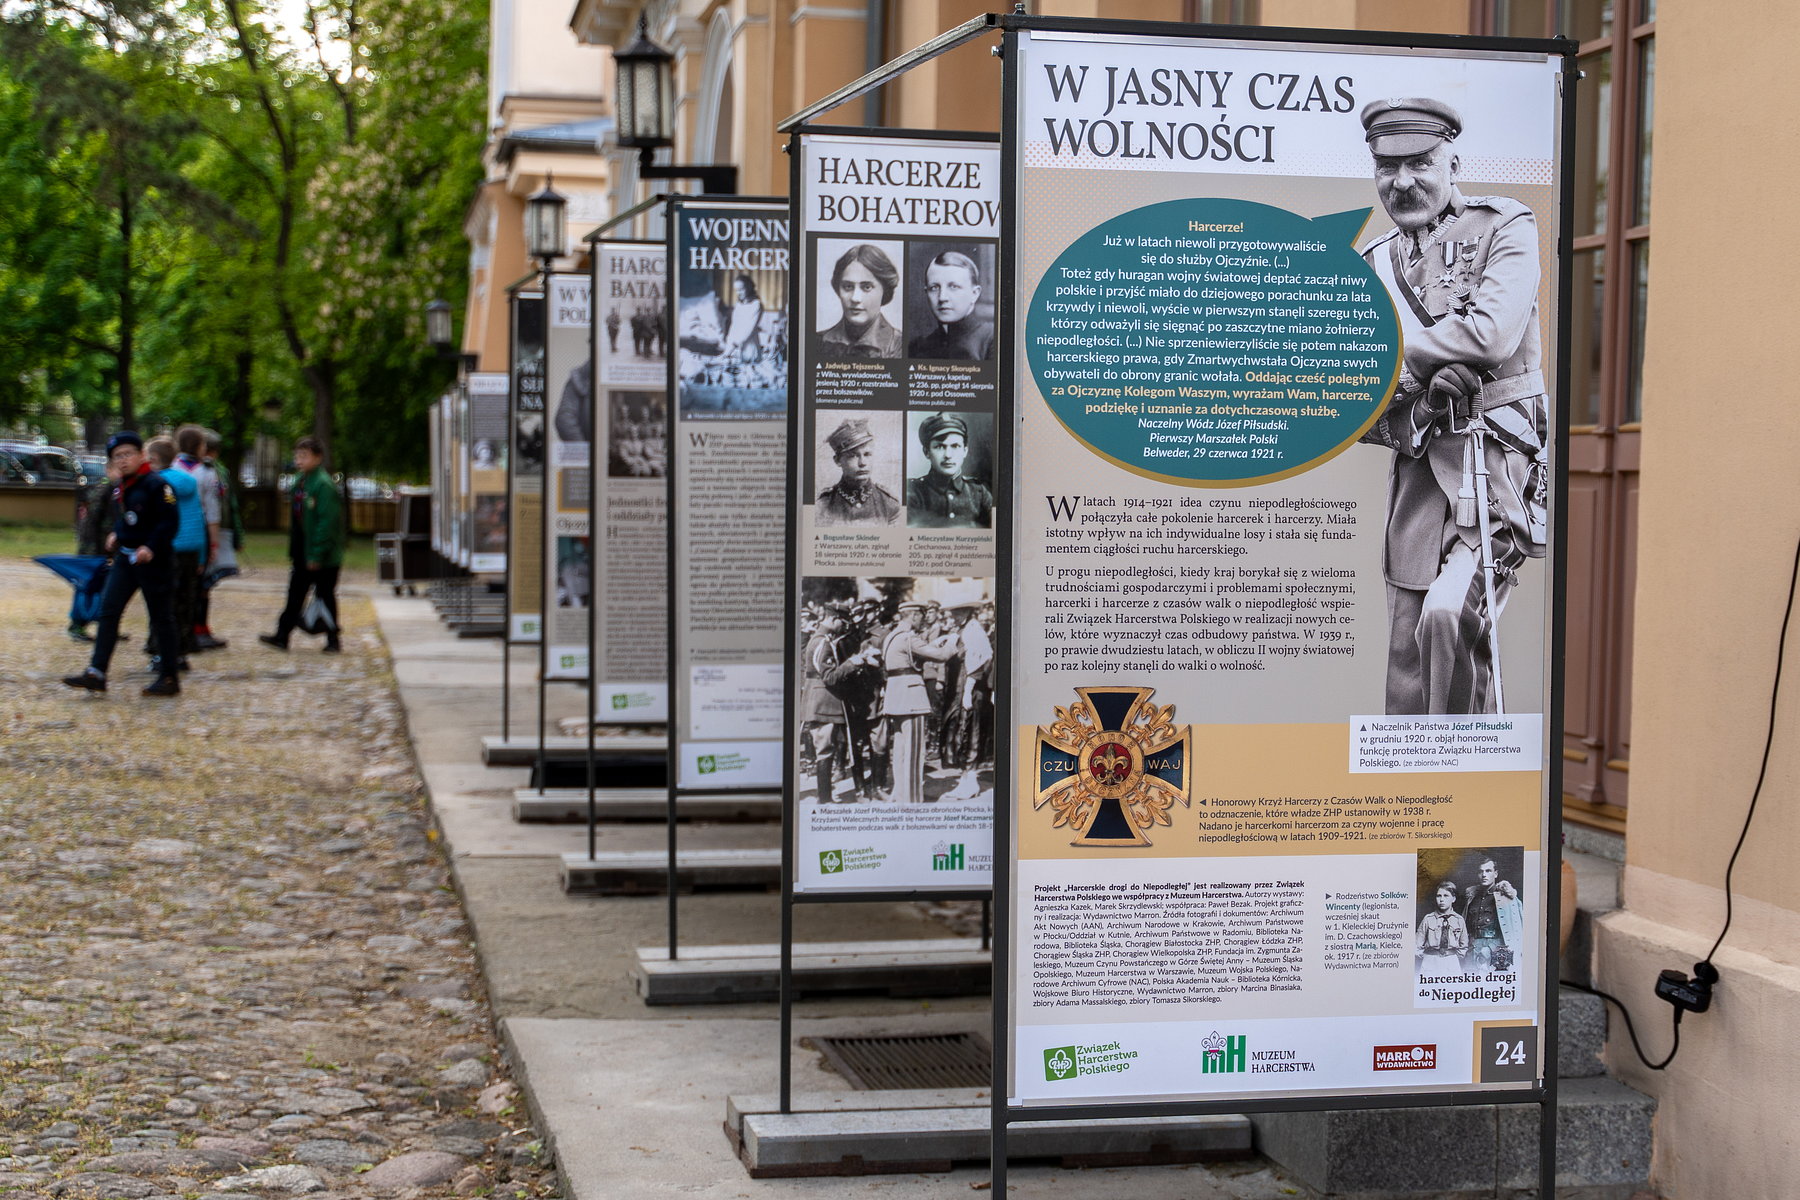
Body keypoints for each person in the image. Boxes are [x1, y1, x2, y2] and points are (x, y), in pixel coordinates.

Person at [1357, 98, 1547, 717]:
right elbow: (1350, 402)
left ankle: (1471, 765)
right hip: (1418, 488)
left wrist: (1396, 364)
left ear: (1452, 164)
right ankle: (1418, 777)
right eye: (1388, 167)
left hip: (1494, 473)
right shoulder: (1369, 266)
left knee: (1450, 617)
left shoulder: (1505, 227)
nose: (1402, 181)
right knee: (1407, 672)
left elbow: (1491, 336)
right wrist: (1420, 400)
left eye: (1420, 163)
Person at [62, 432, 182, 696]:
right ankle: (97, 672)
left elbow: (169, 522)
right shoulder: (122, 486)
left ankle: (169, 677)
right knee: (109, 610)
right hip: (126, 560)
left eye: (128, 454)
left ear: (142, 455)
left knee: (161, 617)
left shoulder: (157, 485)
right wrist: (117, 534)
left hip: (154, 562)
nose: (123, 460)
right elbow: (126, 518)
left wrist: (150, 547)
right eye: (117, 456)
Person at [259, 436, 344, 653]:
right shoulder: (300, 481)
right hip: (301, 549)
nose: (299, 460)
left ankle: (333, 639)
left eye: (304, 456)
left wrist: (317, 553)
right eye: (297, 455)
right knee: (295, 594)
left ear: (318, 457)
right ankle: (282, 635)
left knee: (325, 595)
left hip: (321, 553)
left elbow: (326, 522)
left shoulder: (323, 484)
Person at [879, 601, 958, 803]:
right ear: (913, 615)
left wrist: (936, 641)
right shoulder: (909, 638)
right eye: (921, 616)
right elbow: (942, 656)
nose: (922, 620)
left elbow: (911, 656)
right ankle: (912, 799)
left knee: (900, 750)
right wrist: (952, 641)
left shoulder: (892, 636)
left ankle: (900, 793)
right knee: (914, 751)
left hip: (896, 697)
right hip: (911, 698)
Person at [145, 436, 204, 669]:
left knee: (163, 603)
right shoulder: (189, 481)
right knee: (185, 602)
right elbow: (198, 517)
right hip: (191, 549)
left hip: (167, 549)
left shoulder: (155, 484)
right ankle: (181, 652)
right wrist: (202, 555)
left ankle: (161, 651)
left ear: (153, 459)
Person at [173, 426, 223, 650]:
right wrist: (214, 542)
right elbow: (212, 512)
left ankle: (177, 632)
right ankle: (195, 630)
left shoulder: (171, 467)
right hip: (198, 531)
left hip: (173, 530)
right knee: (198, 584)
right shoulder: (207, 473)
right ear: (199, 446)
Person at [67, 456, 123, 642]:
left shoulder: (117, 490)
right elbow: (90, 522)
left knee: (109, 590)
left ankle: (108, 627)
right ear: (108, 470)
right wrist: (93, 552)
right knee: (88, 587)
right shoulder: (103, 490)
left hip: (108, 549)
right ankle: (77, 625)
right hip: (94, 549)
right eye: (117, 469)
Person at [905, 413, 992, 528]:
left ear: (965, 451)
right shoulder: (913, 491)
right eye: (940, 447)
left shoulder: (979, 493)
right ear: (926, 452)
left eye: (955, 446)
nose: (948, 455)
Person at [908, 250, 995, 360]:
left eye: (953, 287)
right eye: (934, 288)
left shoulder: (992, 339)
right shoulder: (918, 347)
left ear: (974, 294)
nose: (942, 297)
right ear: (926, 292)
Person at [819, 245, 902, 359]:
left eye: (867, 287)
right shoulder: (817, 341)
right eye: (848, 287)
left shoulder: (900, 345)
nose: (855, 298)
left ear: (885, 290)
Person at [1462, 854, 1523, 972]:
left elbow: (1512, 933)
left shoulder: (1505, 898)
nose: (1484, 875)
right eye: (1481, 871)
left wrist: (1490, 949)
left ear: (1495, 873)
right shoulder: (1471, 898)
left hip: (1495, 952)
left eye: (1488, 871)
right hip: (1472, 951)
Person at [1416, 879, 1470, 977]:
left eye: (1446, 896)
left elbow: (1464, 946)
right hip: (1430, 962)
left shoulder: (1459, 920)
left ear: (1453, 899)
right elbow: (1417, 944)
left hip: (1451, 962)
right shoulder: (1428, 919)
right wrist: (1427, 957)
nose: (1441, 899)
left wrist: (1453, 957)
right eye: (1439, 896)